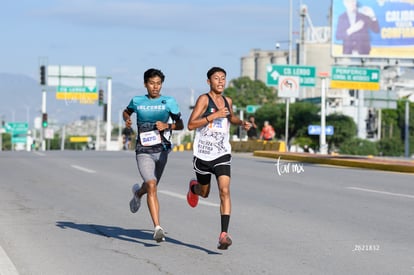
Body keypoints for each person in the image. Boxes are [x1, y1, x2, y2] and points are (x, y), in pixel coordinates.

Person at [186, 67, 251, 250]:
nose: (221, 81)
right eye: (216, 78)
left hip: (222, 153)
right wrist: (212, 116)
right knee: (204, 192)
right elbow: (191, 124)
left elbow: (231, 117)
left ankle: (224, 234)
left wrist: (241, 123)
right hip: (203, 154)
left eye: (223, 78)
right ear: (209, 82)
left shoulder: (227, 101)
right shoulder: (203, 100)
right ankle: (194, 188)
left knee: (225, 190)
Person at [123, 68, 184, 242]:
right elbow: (127, 111)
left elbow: (180, 124)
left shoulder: (169, 102)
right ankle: (157, 227)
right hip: (143, 151)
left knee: (151, 186)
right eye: (152, 83)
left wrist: (168, 126)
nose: (155, 87)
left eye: (158, 83)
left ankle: (138, 194)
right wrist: (126, 119)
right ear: (145, 84)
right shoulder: (137, 101)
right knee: (151, 185)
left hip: (162, 150)